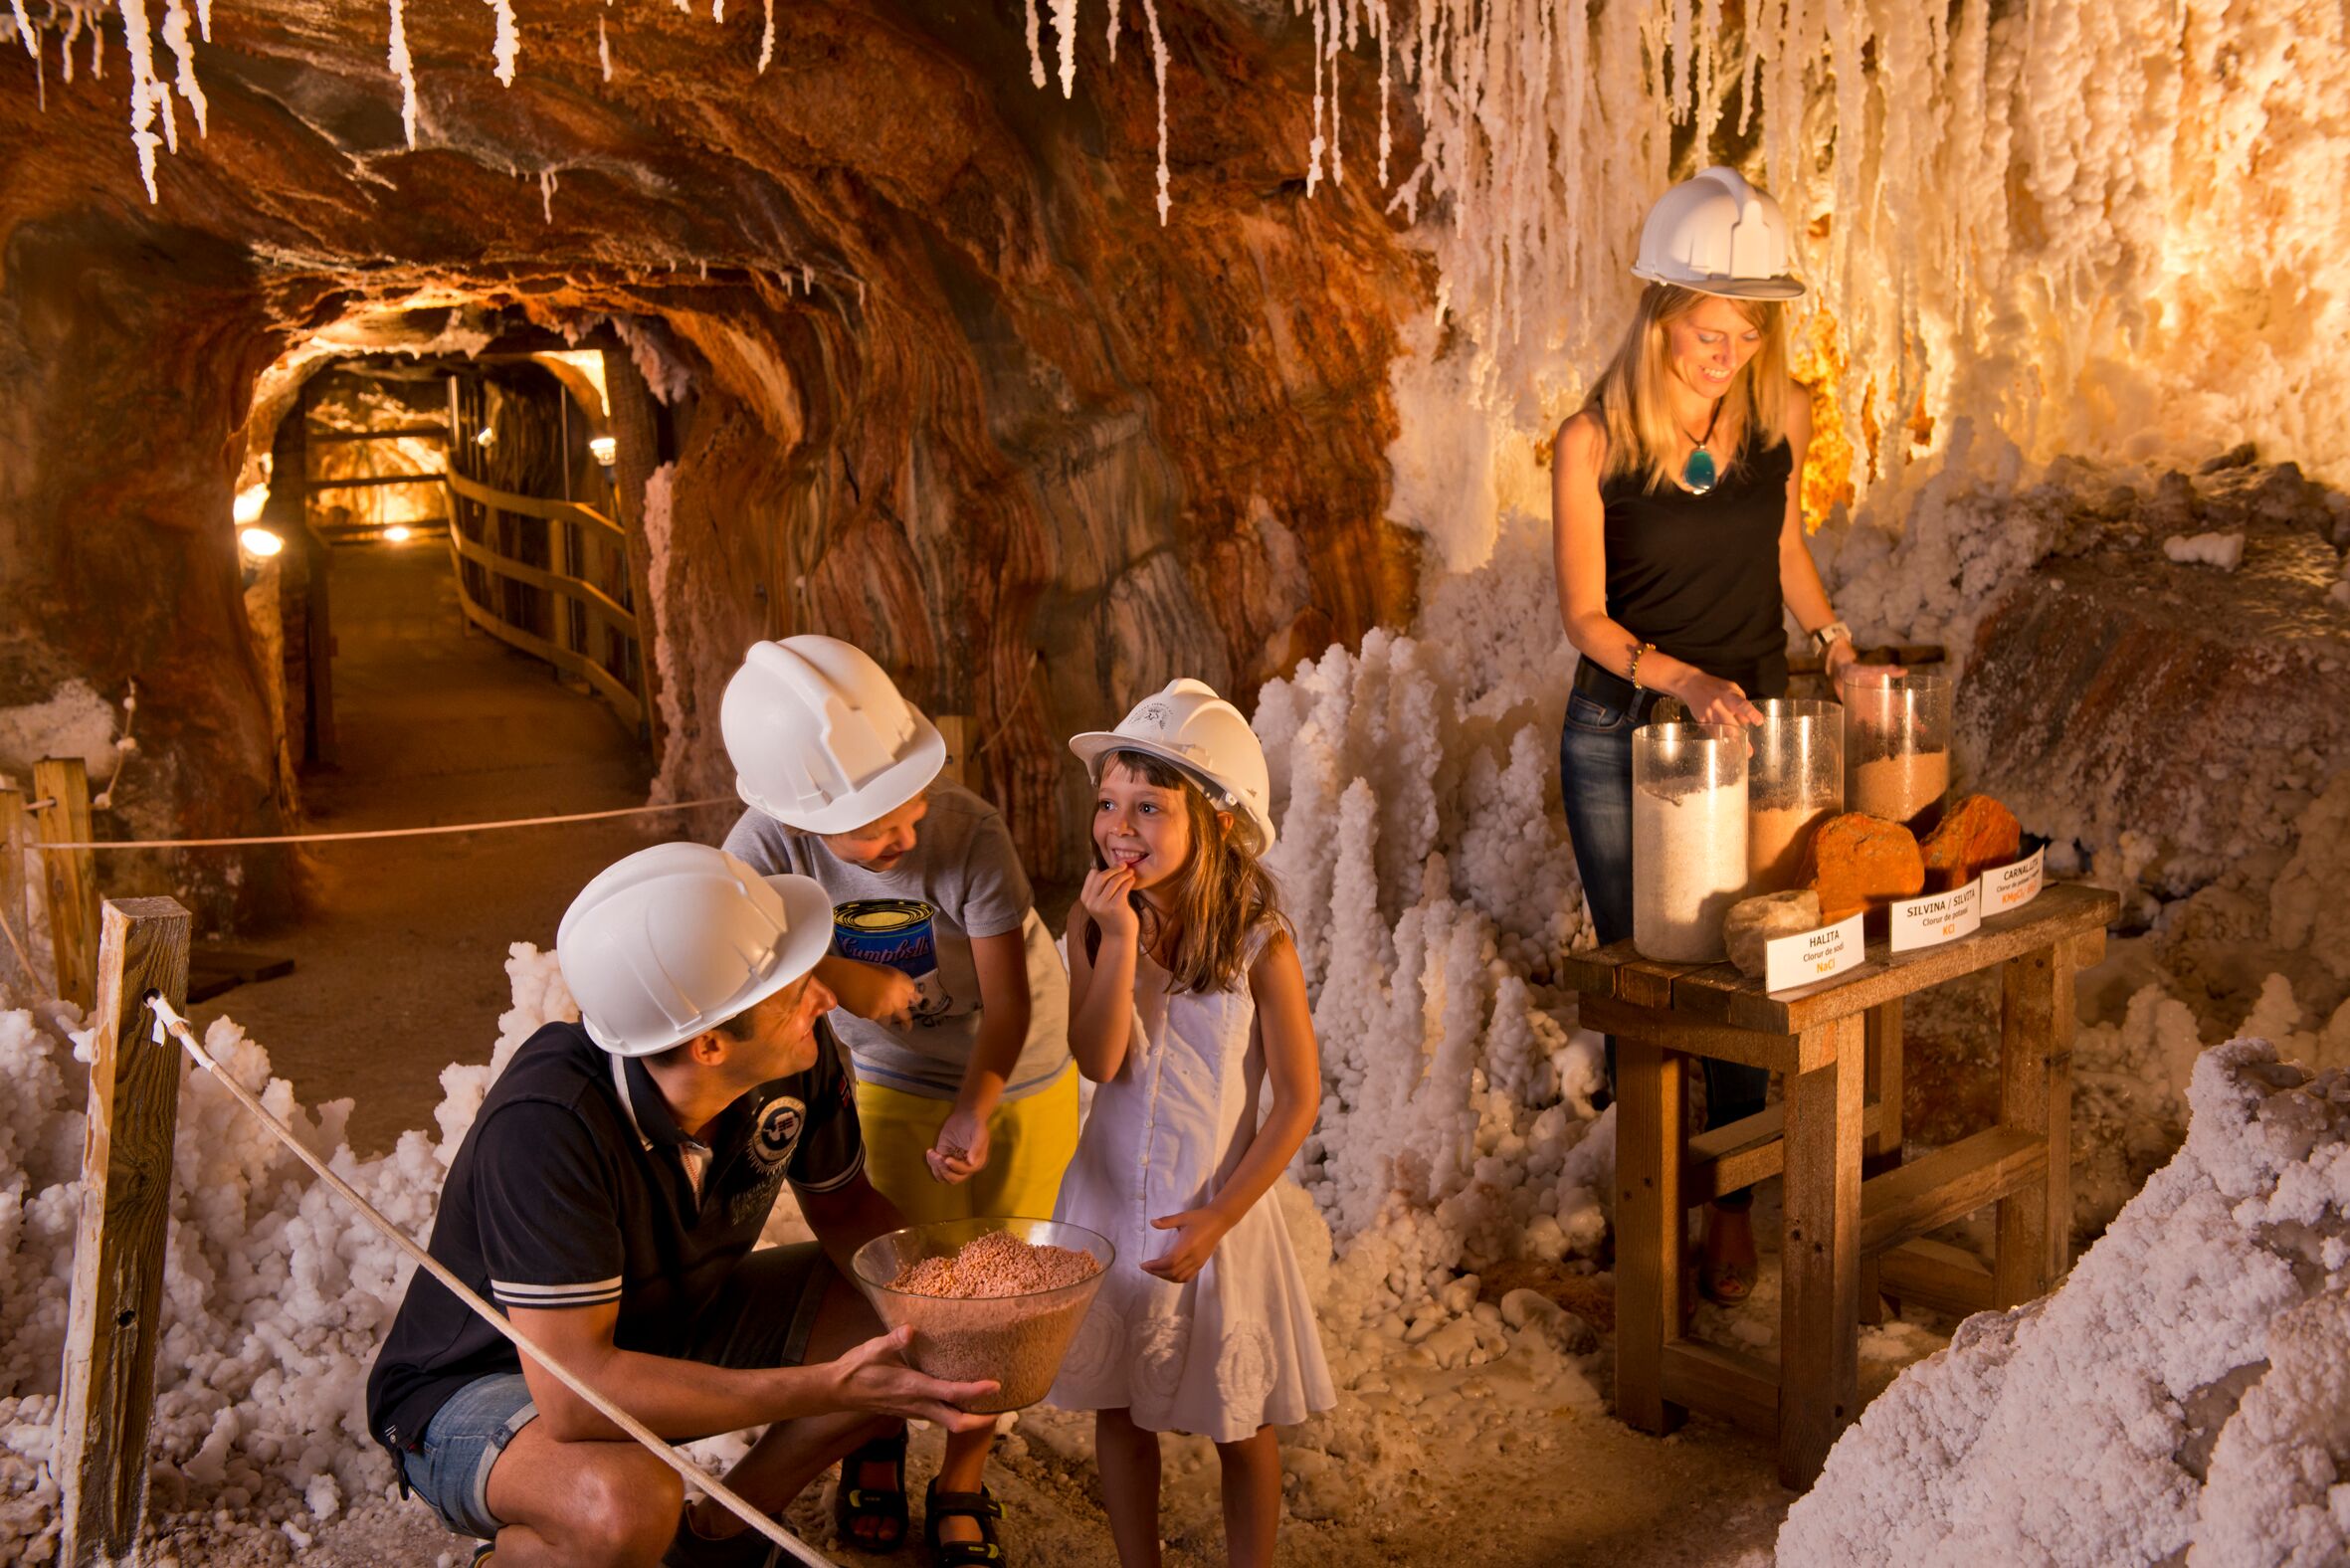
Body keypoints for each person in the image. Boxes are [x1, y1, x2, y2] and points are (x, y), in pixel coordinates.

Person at [364, 843, 1001, 1568]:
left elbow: (850, 1211)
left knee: (905, 1312)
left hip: (656, 1329)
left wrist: (967, 1301)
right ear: (708, 1044)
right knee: (625, 1504)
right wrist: (824, 1387)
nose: (824, 997)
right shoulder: (547, 1123)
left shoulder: (792, 1054)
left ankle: (718, 1543)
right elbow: (579, 1397)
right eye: (794, 991)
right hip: (486, 1385)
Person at [1550, 166, 1859, 1307]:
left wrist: (1837, 646)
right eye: (1705, 326)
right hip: (1627, 726)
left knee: (1743, 970)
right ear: (1660, 309)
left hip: (1752, 727)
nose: (1724, 349)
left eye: (1744, 329)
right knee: (1652, 984)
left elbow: (1783, 556)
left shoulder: (1779, 415)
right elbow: (1583, 612)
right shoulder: (1590, 441)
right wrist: (1677, 676)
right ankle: (1661, 1214)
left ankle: (1726, 1202)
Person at [716, 634, 1075, 1562]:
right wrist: (841, 969)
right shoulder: (762, 845)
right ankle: (870, 1452)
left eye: (907, 799)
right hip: (885, 1074)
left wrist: (979, 1103)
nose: (903, 833)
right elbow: (736, 949)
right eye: (874, 826)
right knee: (894, 1283)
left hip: (1017, 1064)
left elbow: (1012, 1003)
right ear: (799, 814)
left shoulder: (968, 832)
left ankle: (962, 1479)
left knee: (998, 1291)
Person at [1045, 679, 1335, 1568]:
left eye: (1148, 807)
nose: (1118, 827)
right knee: (1118, 1405)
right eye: (1107, 804)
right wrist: (1119, 944)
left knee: (1236, 1423)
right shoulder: (1095, 920)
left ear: (1214, 818)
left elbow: (1296, 1099)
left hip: (1215, 1208)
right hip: (1106, 1198)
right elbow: (1096, 1062)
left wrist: (1219, 1216)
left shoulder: (1259, 943)